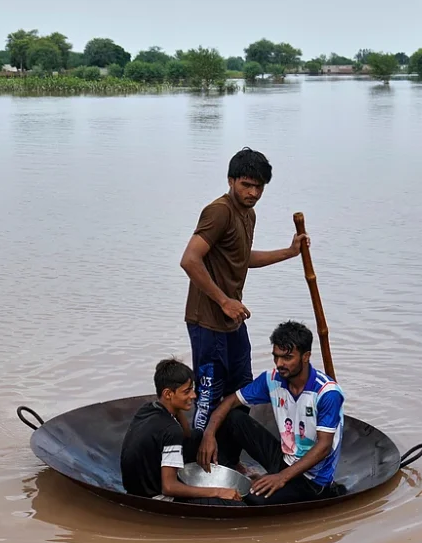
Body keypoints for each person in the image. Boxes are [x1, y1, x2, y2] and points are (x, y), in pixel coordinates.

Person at [179, 147, 309, 436]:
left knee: (241, 389)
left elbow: (241, 257)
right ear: (230, 181)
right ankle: (199, 460)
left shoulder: (248, 215)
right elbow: (189, 259)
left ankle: (230, 456)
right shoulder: (219, 211)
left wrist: (289, 253)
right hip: (207, 321)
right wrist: (224, 301)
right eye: (246, 185)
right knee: (209, 394)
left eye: (258, 187)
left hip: (232, 320)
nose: (252, 193)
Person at [197, 321, 345, 506]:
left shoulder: (326, 393)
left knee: (252, 498)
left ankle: (273, 484)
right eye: (276, 357)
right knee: (233, 417)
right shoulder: (273, 379)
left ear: (305, 356)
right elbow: (230, 401)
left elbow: (323, 447)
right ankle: (226, 469)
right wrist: (208, 435)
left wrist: (281, 477)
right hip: (284, 458)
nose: (280, 364)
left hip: (312, 479)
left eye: (287, 358)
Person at [119, 358, 244, 504]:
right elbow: (169, 487)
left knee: (198, 436)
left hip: (135, 487)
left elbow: (187, 435)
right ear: (168, 394)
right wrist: (219, 491)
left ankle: (225, 469)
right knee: (235, 504)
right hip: (156, 497)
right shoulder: (171, 431)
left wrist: (177, 409)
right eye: (186, 391)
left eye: (192, 389)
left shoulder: (147, 408)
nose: (193, 395)